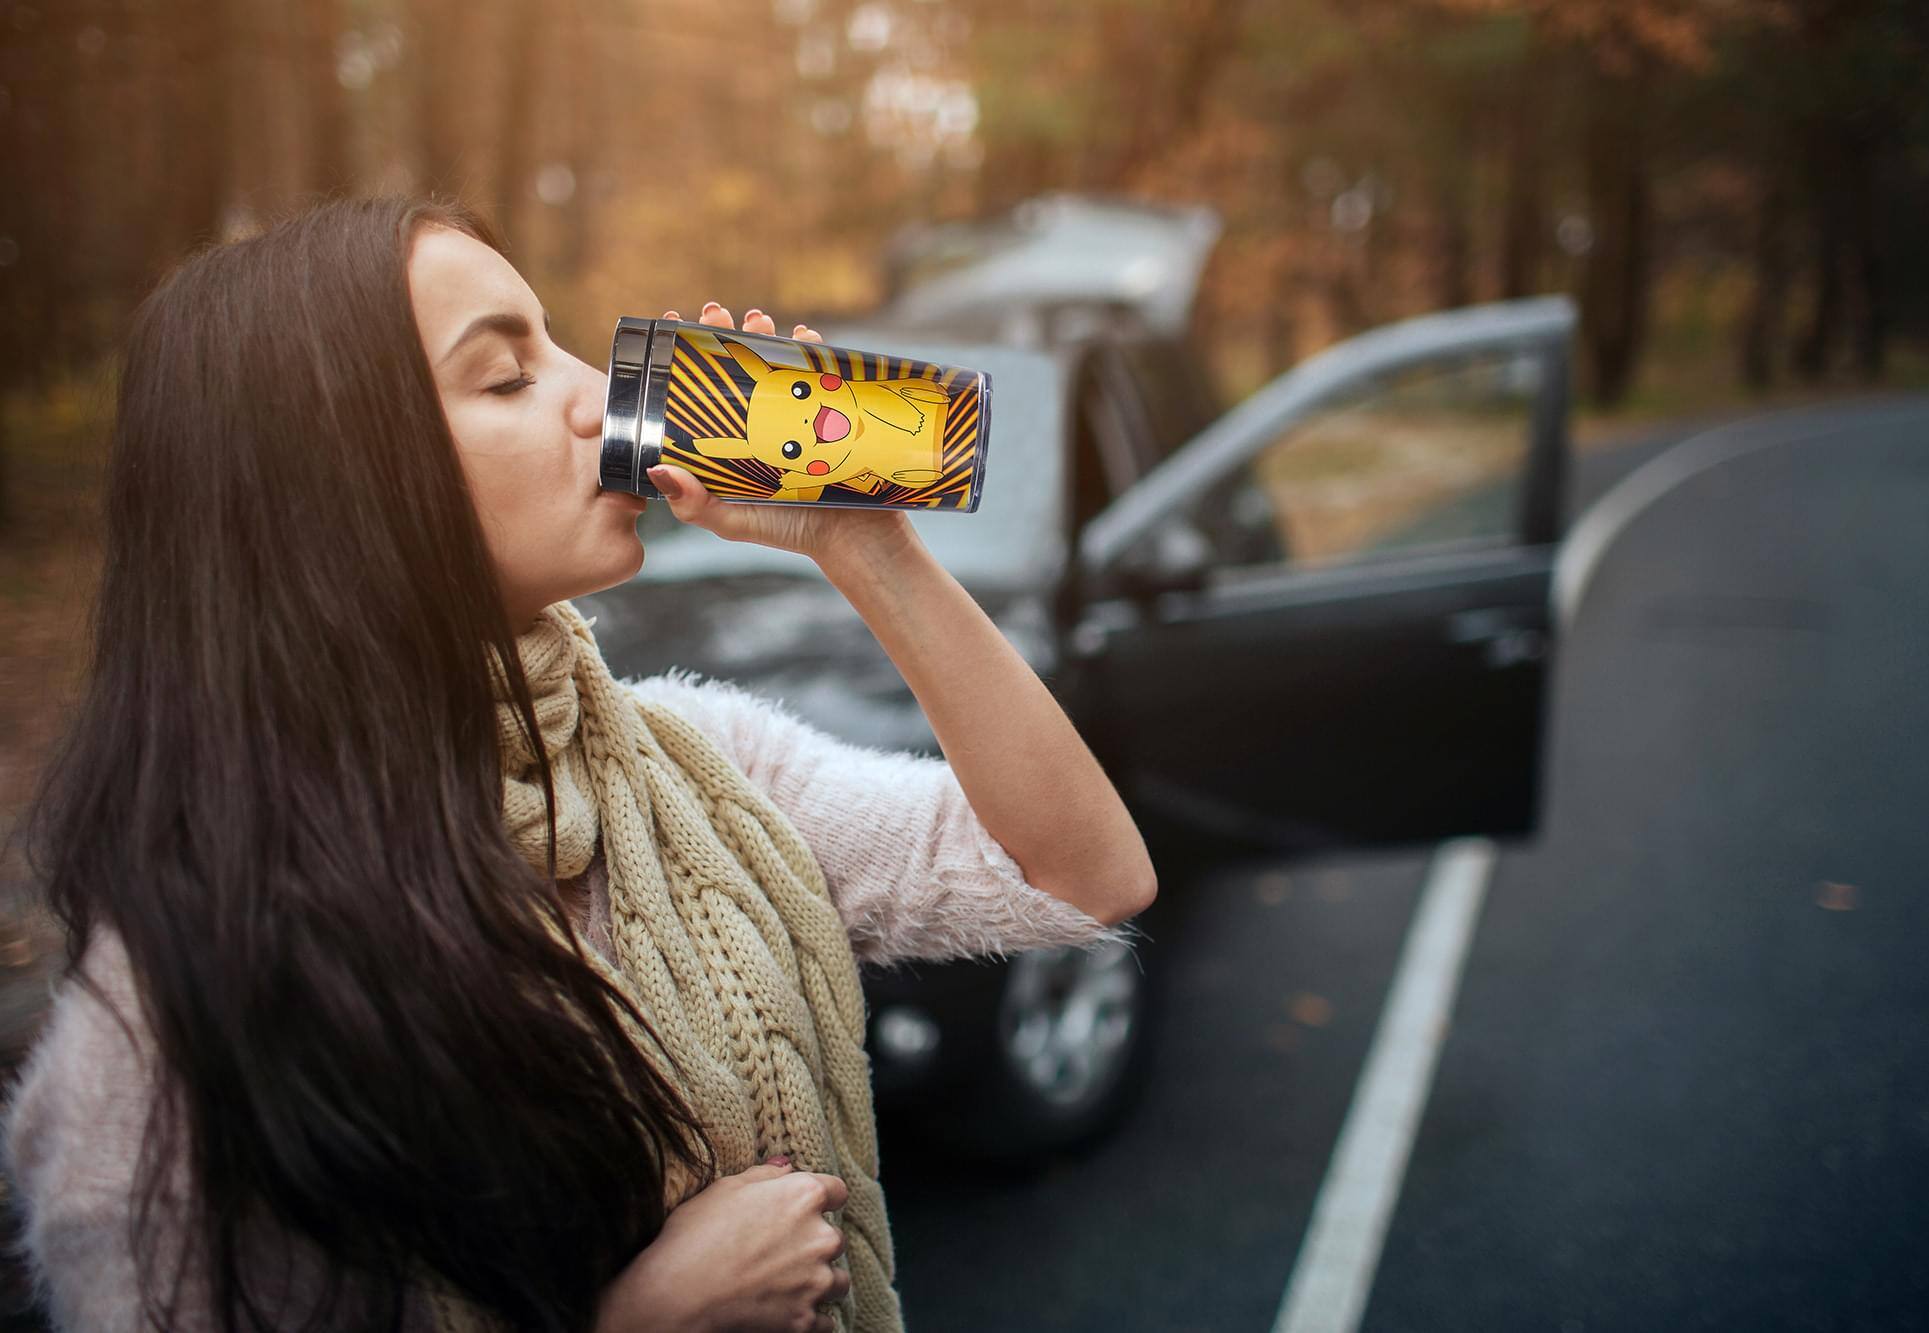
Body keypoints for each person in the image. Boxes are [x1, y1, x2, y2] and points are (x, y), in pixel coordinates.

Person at [0, 194, 1157, 1331]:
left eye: (559, 345)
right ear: (335, 486)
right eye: (506, 376)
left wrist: (865, 545)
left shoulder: (697, 767)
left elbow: (1078, 872)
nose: (598, 398)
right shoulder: (156, 1047)